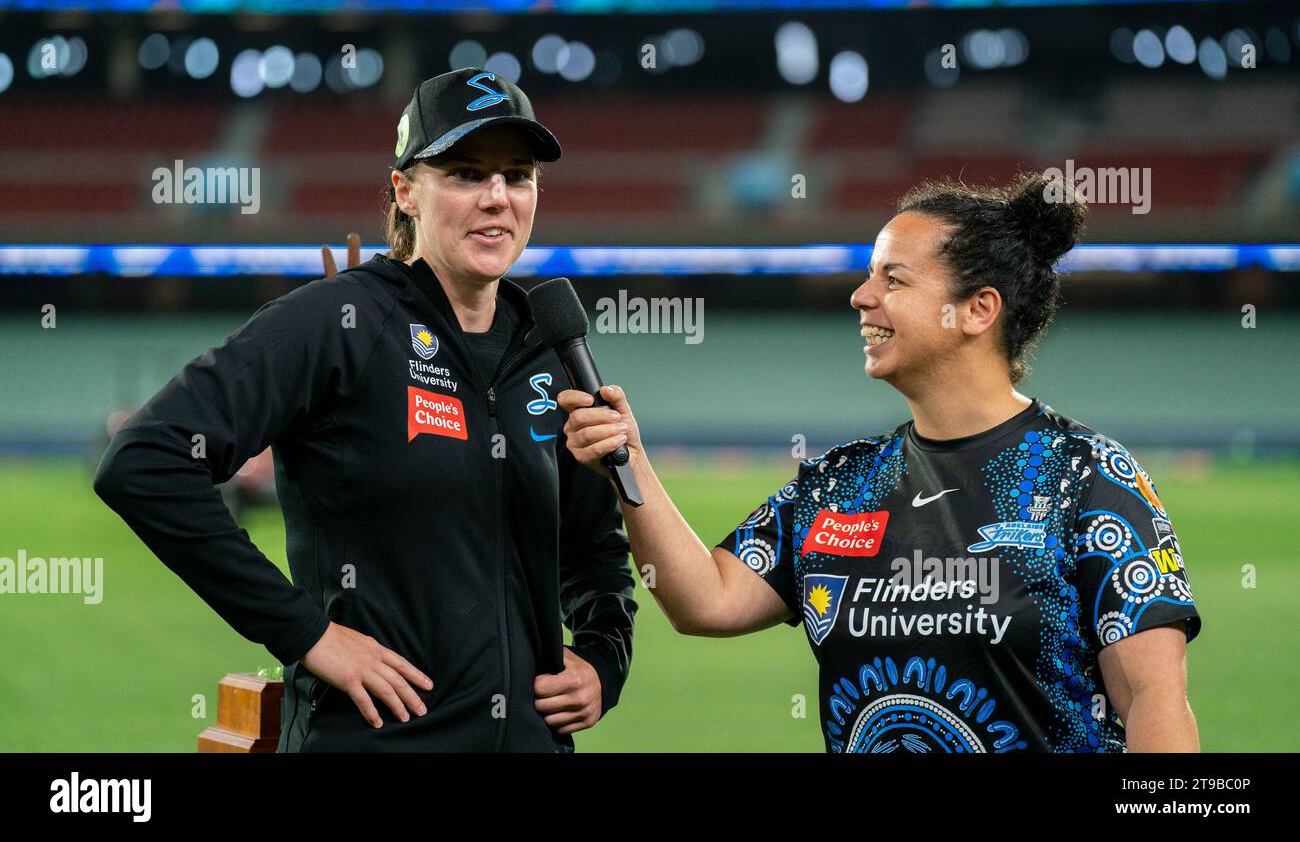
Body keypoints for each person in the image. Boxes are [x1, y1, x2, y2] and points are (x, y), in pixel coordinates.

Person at [559, 172, 1201, 753]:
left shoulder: (1086, 477)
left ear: (978, 309)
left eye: (893, 279)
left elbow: (1153, 700)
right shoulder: (837, 485)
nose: (860, 298)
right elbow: (706, 600)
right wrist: (630, 462)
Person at [95, 68, 637, 752]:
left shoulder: (551, 349)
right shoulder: (339, 322)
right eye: (466, 173)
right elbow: (146, 461)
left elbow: (594, 549)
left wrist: (604, 658)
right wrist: (307, 633)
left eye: (517, 174)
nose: (497, 197)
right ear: (405, 191)